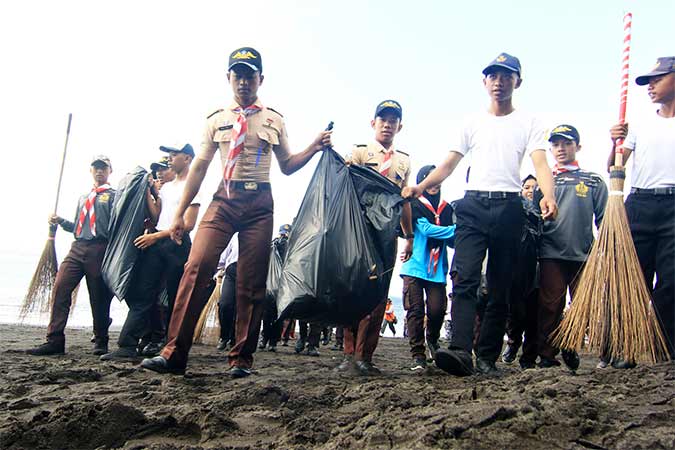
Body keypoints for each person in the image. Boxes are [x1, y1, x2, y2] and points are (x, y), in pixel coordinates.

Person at [141, 47, 332, 378]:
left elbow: (287, 166)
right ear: (229, 78)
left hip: (259, 204)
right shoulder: (216, 119)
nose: (244, 81)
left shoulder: (274, 119)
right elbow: (199, 166)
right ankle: (173, 353)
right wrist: (180, 213)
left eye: (250, 75)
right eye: (237, 75)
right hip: (223, 200)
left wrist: (314, 147)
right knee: (196, 267)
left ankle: (241, 358)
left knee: (252, 281)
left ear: (261, 79)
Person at [403, 52, 558, 376]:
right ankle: (460, 349)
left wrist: (549, 197)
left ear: (518, 81)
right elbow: (449, 163)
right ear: (484, 82)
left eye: (506, 76)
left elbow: (541, 163)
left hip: (509, 207)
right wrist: (421, 187)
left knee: (501, 284)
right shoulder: (471, 122)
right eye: (493, 76)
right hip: (472, 207)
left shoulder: (530, 122)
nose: (499, 82)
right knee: (465, 278)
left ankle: (487, 355)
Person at [336, 99, 414, 376]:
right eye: (383, 119)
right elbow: (342, 187)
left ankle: (365, 355)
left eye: (393, 120)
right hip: (358, 231)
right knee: (352, 287)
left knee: (379, 294)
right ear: (373, 123)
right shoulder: (358, 153)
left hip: (387, 235)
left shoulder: (403, 161)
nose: (387, 124)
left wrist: (409, 235)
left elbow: (404, 200)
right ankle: (347, 353)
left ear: (399, 126)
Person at [101, 144, 200, 360]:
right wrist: (146, 191)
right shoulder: (167, 187)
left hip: (177, 245)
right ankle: (127, 345)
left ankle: (172, 347)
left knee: (176, 298)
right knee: (142, 294)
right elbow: (157, 216)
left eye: (174, 155)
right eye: (169, 155)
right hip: (156, 244)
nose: (170, 159)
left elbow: (189, 224)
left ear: (188, 158)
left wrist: (154, 237)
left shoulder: (193, 186)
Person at [608, 56, 675, 363]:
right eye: (648, 81)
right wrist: (614, 142)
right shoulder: (639, 125)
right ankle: (627, 349)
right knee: (634, 279)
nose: (650, 86)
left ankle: (665, 349)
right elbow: (614, 166)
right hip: (641, 203)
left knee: (671, 282)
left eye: (657, 79)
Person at [534, 124, 607, 370]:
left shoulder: (593, 181)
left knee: (582, 306)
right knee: (550, 304)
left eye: (566, 143)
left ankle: (571, 342)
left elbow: (605, 219)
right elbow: (534, 220)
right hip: (550, 254)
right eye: (555, 144)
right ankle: (547, 354)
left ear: (578, 146)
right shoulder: (544, 183)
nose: (561, 149)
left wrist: (605, 252)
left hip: (584, 255)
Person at [28, 156, 116, 356]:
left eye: (103, 168)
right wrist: (60, 222)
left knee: (99, 296)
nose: (99, 171)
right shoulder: (84, 197)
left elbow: (116, 227)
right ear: (91, 171)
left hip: (99, 248)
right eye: (96, 168)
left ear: (110, 170)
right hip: (78, 248)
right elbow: (78, 226)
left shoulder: (113, 196)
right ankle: (54, 339)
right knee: (61, 287)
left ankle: (101, 339)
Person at [400, 165, 456, 371]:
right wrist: (456, 229)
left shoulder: (447, 208)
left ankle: (432, 340)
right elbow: (426, 229)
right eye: (428, 180)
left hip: (437, 270)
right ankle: (418, 355)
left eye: (436, 180)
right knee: (415, 311)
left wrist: (453, 232)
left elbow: (453, 242)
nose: (433, 185)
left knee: (437, 310)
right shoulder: (413, 205)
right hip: (414, 266)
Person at [501, 175, 542, 369]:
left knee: (535, 314)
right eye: (526, 187)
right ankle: (513, 342)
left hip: (540, 268)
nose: (530, 190)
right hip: (518, 266)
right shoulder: (515, 210)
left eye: (535, 187)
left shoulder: (547, 211)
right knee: (515, 311)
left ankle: (529, 357)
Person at [259, 224, 291, 352]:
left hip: (284, 285)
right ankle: (265, 338)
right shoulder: (273, 244)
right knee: (267, 314)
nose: (284, 236)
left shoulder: (292, 246)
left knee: (279, 315)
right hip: (271, 285)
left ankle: (273, 340)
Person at [217, 233, 238, 351]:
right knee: (225, 304)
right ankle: (224, 336)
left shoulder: (259, 235)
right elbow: (223, 258)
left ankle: (235, 338)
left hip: (250, 272)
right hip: (231, 272)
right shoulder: (234, 236)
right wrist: (219, 271)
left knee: (241, 308)